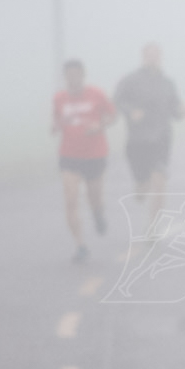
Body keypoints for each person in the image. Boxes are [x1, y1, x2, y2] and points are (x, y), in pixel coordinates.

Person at [114, 43, 185, 230]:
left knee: (160, 180)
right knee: (142, 187)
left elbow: (175, 107)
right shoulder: (131, 80)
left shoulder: (167, 83)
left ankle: (153, 227)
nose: (153, 58)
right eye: (149, 55)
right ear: (143, 57)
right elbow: (117, 100)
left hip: (161, 138)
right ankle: (140, 185)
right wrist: (131, 111)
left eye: (156, 55)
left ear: (160, 57)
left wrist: (180, 110)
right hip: (137, 140)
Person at [51, 59, 116, 264]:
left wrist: (100, 125)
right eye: (69, 75)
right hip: (69, 155)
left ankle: (98, 214)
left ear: (83, 75)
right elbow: (57, 120)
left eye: (76, 74)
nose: (73, 78)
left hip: (95, 154)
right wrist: (55, 126)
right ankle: (80, 245)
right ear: (65, 77)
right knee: (70, 200)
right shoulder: (59, 98)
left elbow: (112, 116)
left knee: (93, 197)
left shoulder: (96, 94)